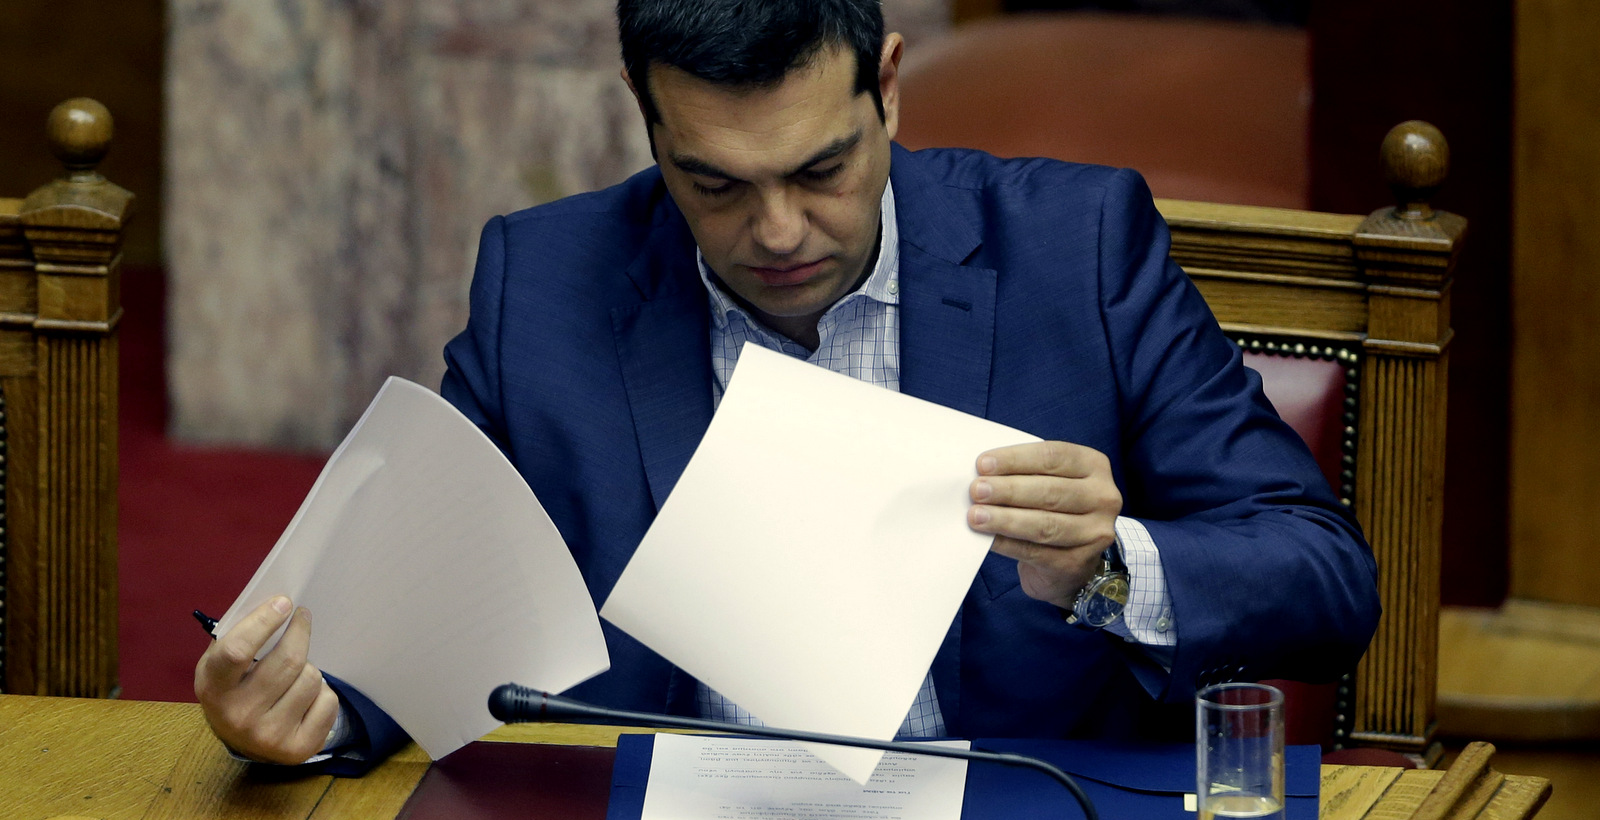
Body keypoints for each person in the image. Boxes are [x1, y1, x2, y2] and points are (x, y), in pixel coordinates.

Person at [194, 0, 1379, 771]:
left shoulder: (1077, 249)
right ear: (648, 126)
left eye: (822, 168)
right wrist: (308, 709)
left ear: (890, 88)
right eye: (711, 184)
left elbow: (1324, 581)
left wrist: (1111, 564)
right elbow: (418, 619)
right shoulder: (544, 282)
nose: (776, 232)